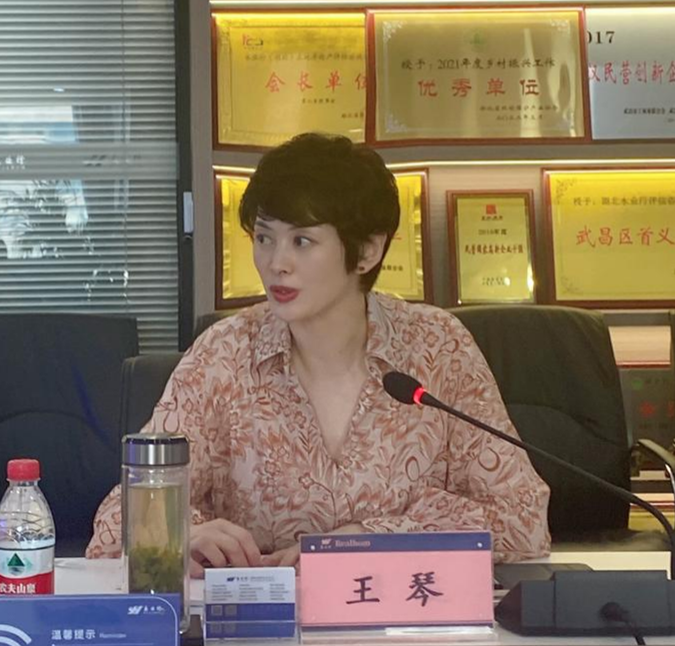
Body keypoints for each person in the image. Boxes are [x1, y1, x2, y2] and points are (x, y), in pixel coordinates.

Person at [86, 133, 550, 574]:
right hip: (265, 618)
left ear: (367, 251)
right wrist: (179, 534)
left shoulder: (437, 347)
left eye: (302, 241)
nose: (276, 263)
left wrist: (367, 540)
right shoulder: (224, 354)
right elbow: (116, 522)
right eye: (264, 238)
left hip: (401, 614)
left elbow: (523, 519)